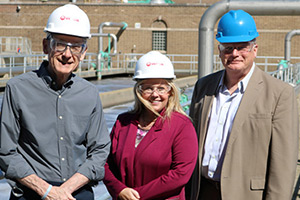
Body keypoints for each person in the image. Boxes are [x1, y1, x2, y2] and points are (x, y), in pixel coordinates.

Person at [0, 4, 111, 200]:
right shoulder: (17, 89)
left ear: (83, 52)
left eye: (76, 47)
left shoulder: (90, 94)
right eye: (60, 44)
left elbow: (100, 151)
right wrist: (47, 191)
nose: (67, 55)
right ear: (45, 46)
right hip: (31, 192)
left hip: (77, 192)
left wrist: (65, 190)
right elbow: (6, 151)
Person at [186, 10, 299, 200]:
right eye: (228, 47)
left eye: (242, 47)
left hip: (246, 195)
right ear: (220, 50)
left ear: (255, 49)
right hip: (203, 191)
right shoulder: (204, 87)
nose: (235, 54)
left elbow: (283, 163)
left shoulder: (279, 94)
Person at [103, 51, 198, 200]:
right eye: (148, 88)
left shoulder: (182, 126)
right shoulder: (123, 122)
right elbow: (106, 162)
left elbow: (180, 174)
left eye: (161, 88)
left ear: (170, 92)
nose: (155, 94)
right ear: (139, 91)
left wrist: (137, 196)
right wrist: (119, 190)